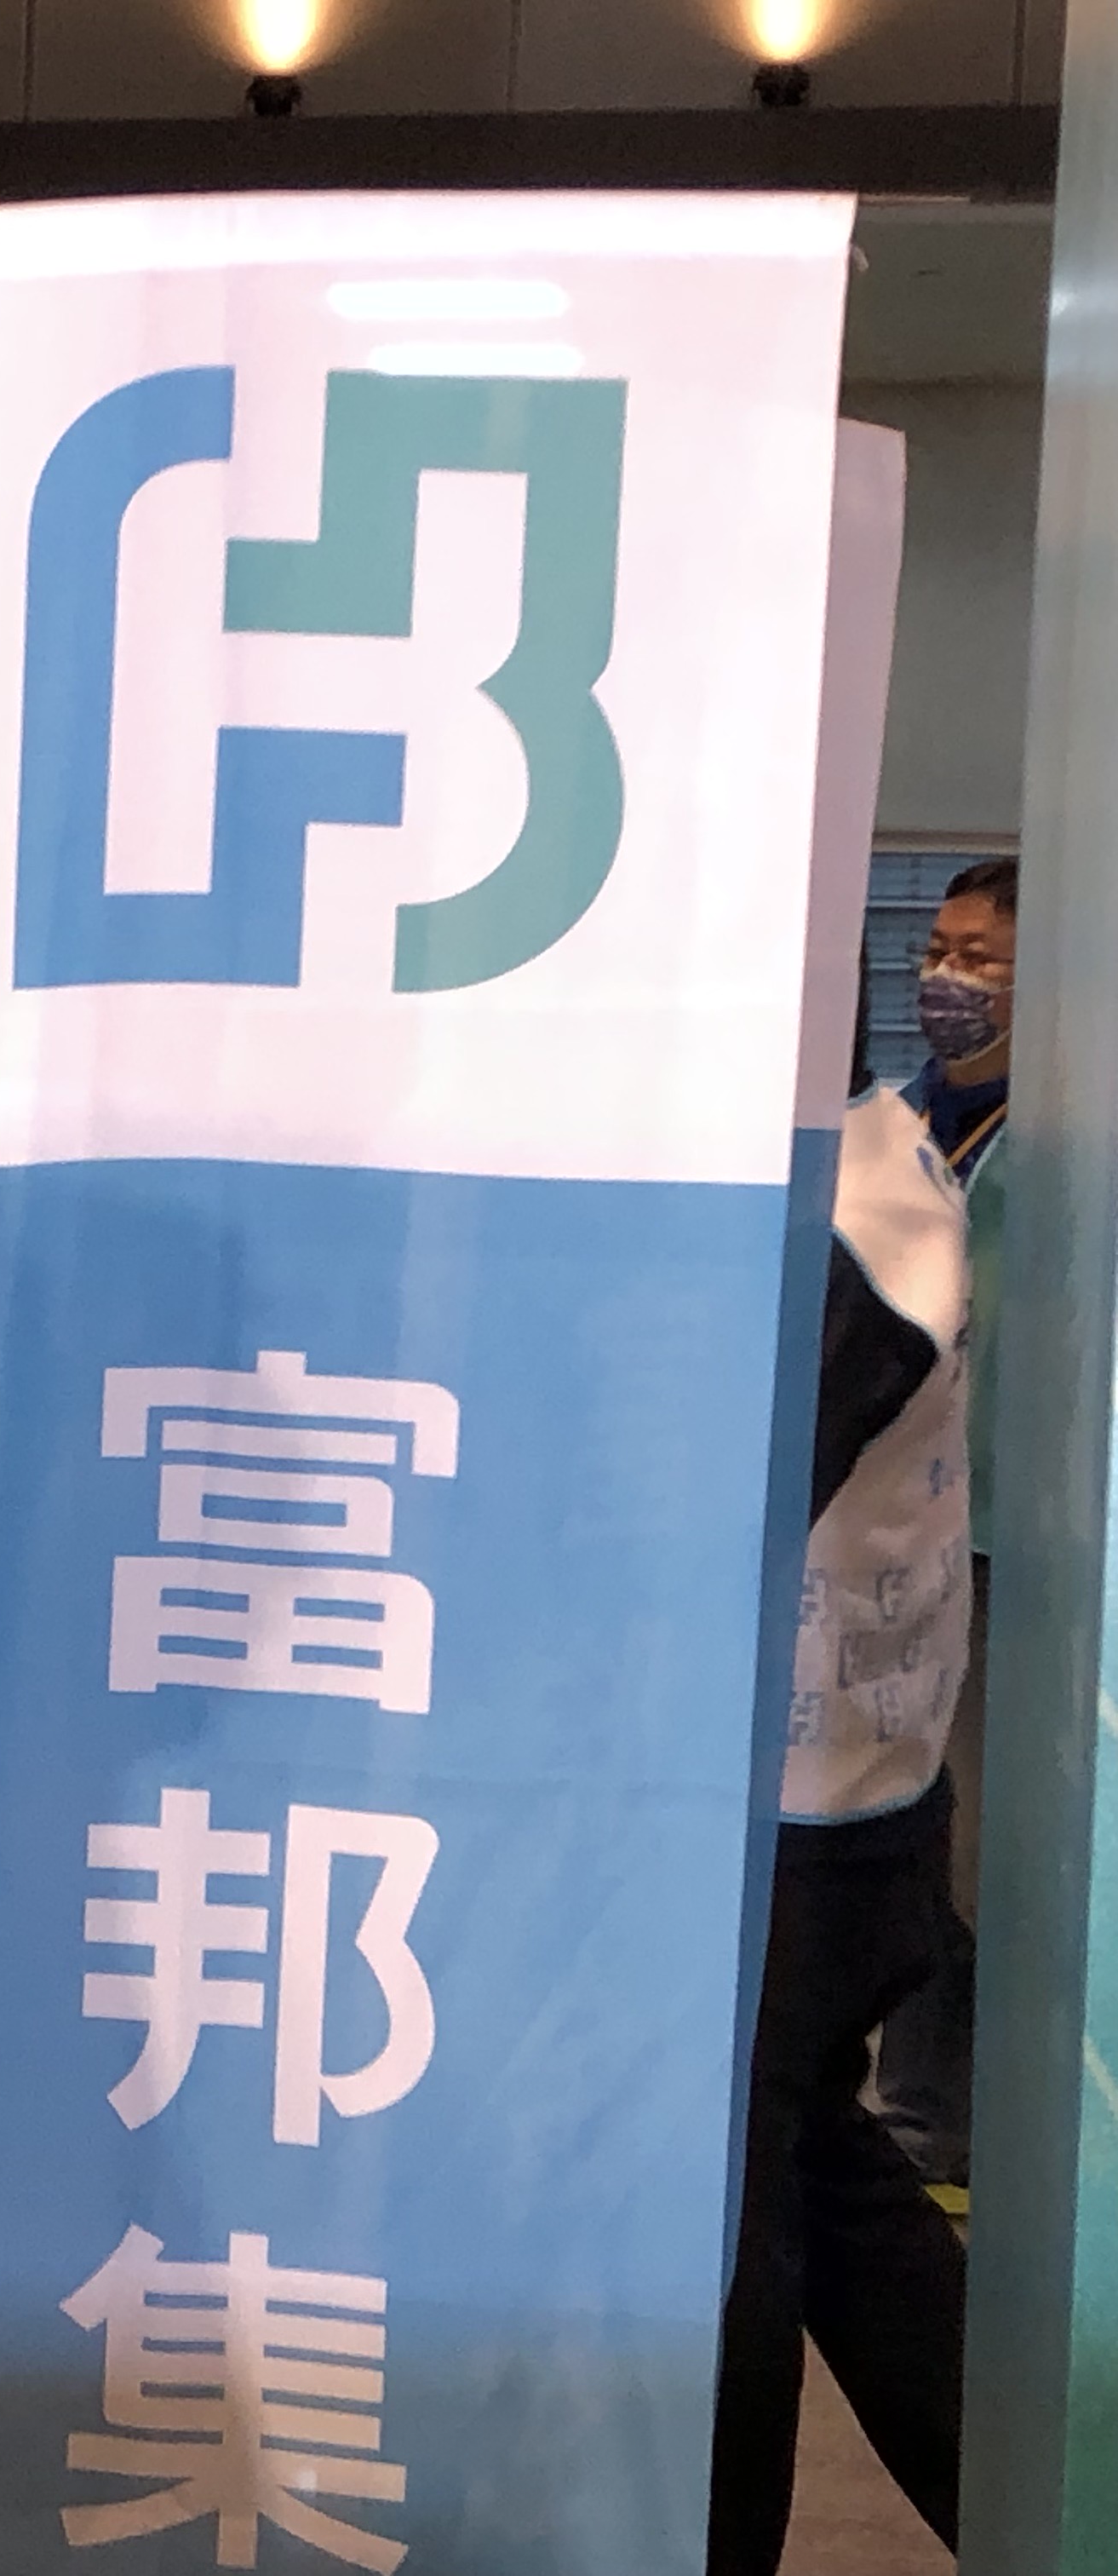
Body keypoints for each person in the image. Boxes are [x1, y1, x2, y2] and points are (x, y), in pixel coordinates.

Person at [708, 1052, 973, 2575]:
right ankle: (1025, 2495)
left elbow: (711, 1497)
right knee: (820, 2170)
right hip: (829, 1807)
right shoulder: (865, 1164)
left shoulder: (855, 1215)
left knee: (723, 2219)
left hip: (798, 1834)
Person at [874, 854, 1017, 2187]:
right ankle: (917, 2107)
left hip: (1020, 1532)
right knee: (913, 1815)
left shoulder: (1056, 1140)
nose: (947, 977)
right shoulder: (905, 1118)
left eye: (981, 959)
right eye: (938, 950)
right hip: (903, 1527)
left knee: (983, 1851)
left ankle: (961, 2116)